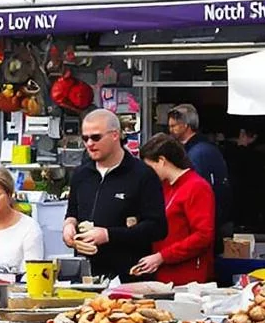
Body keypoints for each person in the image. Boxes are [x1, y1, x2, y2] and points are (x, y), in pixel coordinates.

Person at [66, 109, 167, 280]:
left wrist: (108, 235)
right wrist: (68, 227)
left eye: (96, 137)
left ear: (115, 135)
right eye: (85, 138)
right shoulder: (81, 174)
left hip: (128, 275)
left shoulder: (142, 174)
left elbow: (157, 228)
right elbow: (73, 213)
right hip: (87, 275)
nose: (90, 143)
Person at [133, 135, 217, 285]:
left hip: (189, 277)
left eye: (149, 167)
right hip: (165, 274)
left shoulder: (197, 187)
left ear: (162, 161)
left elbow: (203, 235)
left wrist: (162, 256)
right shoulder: (165, 187)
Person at [165, 104, 230, 239]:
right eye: (170, 126)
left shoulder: (198, 153)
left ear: (186, 125)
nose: (170, 130)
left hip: (202, 221)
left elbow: (197, 190)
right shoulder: (198, 149)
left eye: (174, 126)